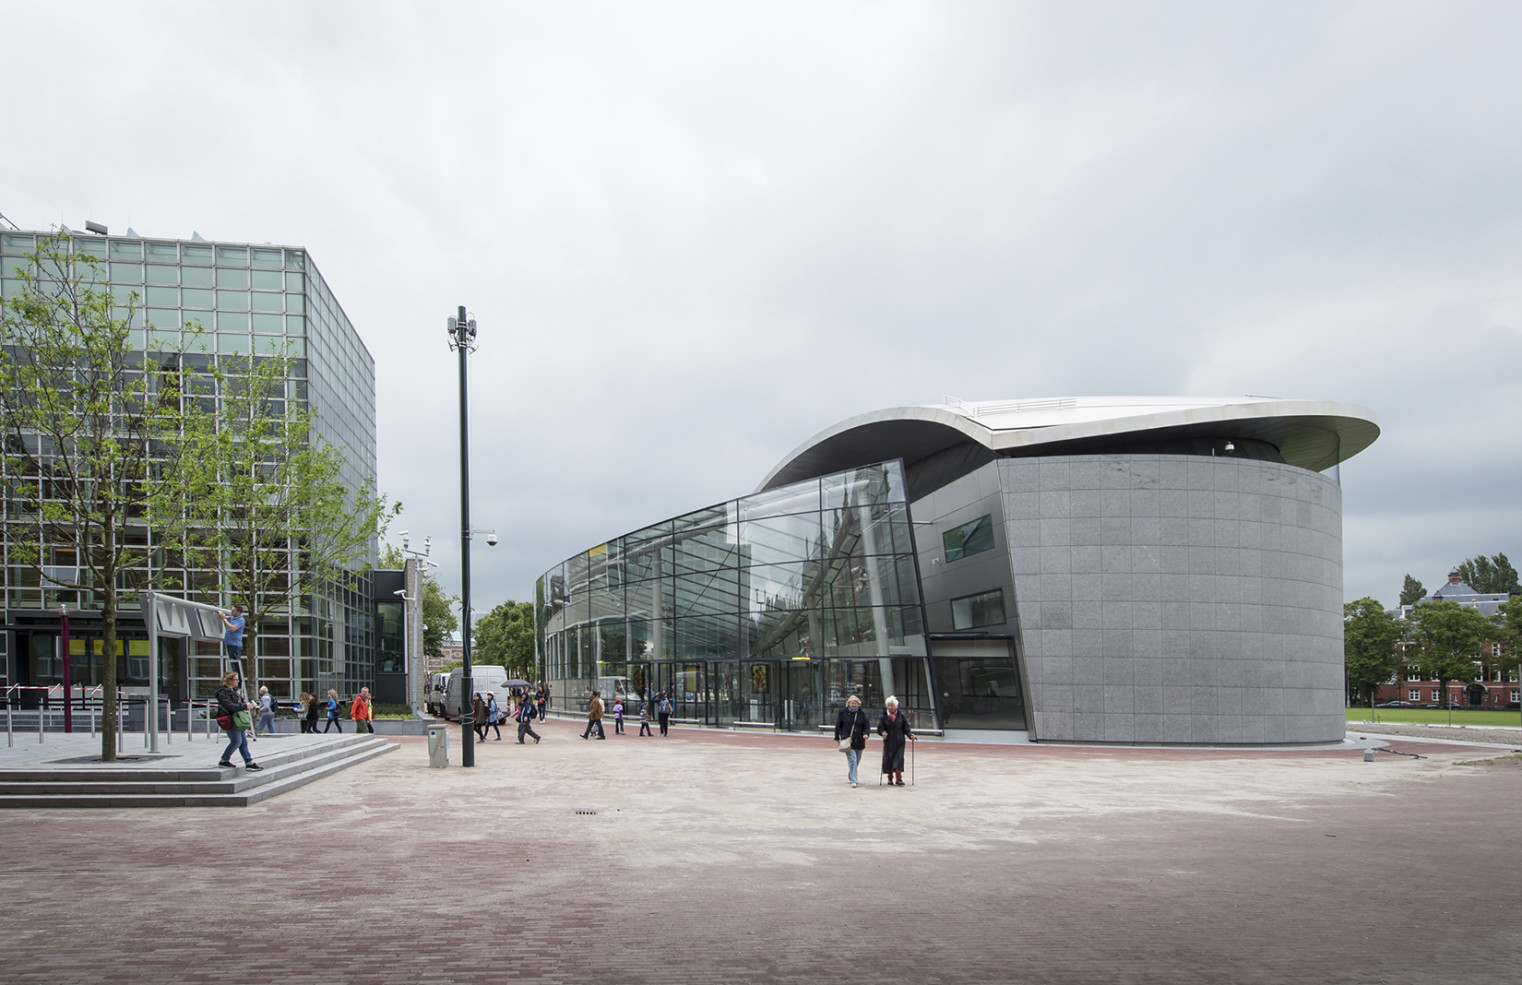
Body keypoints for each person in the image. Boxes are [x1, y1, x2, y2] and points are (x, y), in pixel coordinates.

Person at [214, 670, 263, 771]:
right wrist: (244, 705)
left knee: (243, 742)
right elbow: (230, 706)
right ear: (230, 681)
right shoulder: (222, 692)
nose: (238, 681)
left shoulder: (234, 691)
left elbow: (238, 703)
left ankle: (249, 762)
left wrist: (247, 704)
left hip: (238, 718)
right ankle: (224, 759)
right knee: (236, 741)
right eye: (236, 679)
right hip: (230, 719)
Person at [877, 695, 916, 787]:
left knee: (899, 759)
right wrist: (882, 733)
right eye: (889, 705)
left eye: (892, 705)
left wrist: (910, 735)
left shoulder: (901, 716)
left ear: (896, 706)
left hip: (899, 741)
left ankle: (899, 778)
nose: (890, 707)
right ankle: (890, 777)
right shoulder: (884, 717)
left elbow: (906, 728)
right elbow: (880, 728)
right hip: (889, 741)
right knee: (889, 759)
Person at [834, 694, 869, 788]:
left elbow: (866, 725)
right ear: (848, 703)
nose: (854, 705)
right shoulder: (843, 712)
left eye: (856, 703)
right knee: (852, 759)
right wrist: (837, 737)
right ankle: (854, 780)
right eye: (852, 703)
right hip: (848, 740)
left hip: (860, 740)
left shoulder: (862, 713)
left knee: (857, 759)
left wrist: (866, 733)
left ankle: (851, 774)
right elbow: (838, 725)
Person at [216, 605, 245, 671]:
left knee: (236, 665)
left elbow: (233, 628)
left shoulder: (241, 620)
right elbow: (224, 616)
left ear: (238, 612)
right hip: (230, 644)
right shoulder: (232, 618)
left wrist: (224, 620)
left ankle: (238, 680)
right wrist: (219, 611)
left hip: (235, 645)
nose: (231, 612)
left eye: (233, 611)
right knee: (233, 664)